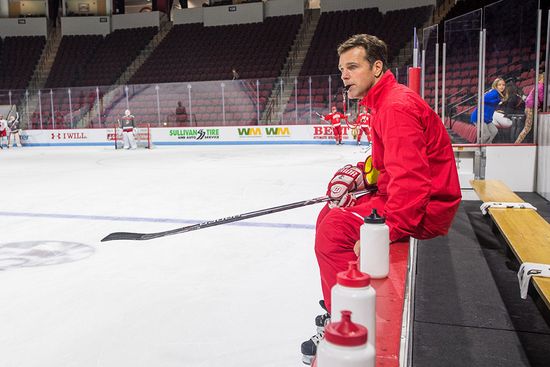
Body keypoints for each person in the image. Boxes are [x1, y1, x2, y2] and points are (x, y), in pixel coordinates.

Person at [300, 34, 462, 365]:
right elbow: (390, 166)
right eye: (342, 68)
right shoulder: (385, 102)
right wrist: (362, 174)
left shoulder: (395, 107)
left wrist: (385, 230)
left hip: (424, 209)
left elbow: (412, 182)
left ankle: (345, 319)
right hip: (405, 197)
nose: (344, 75)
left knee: (334, 230)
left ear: (376, 67)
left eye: (353, 66)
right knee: (330, 214)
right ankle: (340, 303)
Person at [470, 77, 507, 144]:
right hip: (479, 117)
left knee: (494, 131)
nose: (502, 86)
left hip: (486, 118)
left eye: (503, 85)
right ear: (496, 86)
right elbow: (482, 100)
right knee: (486, 135)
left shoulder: (497, 94)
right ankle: (477, 147)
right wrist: (498, 100)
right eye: (499, 85)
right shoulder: (494, 92)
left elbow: (489, 104)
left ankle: (487, 146)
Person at [515, 73, 544, 144]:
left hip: (529, 107)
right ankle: (517, 143)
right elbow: (542, 98)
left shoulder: (538, 86)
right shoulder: (540, 86)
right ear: (540, 80)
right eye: (543, 79)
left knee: (529, 127)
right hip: (530, 108)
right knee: (527, 127)